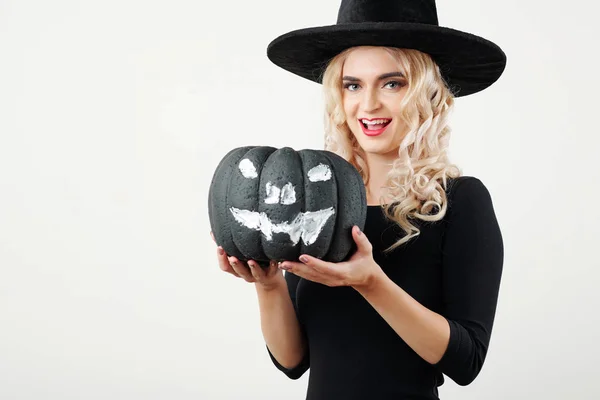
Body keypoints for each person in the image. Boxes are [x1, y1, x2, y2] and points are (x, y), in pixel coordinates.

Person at [212, 1, 506, 398]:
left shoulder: (459, 201)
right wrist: (269, 287)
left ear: (427, 93)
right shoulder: (316, 203)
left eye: (392, 83)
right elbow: (293, 361)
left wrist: (371, 282)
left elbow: (466, 361)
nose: (368, 105)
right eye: (352, 85)